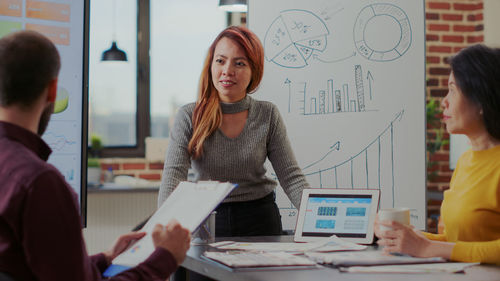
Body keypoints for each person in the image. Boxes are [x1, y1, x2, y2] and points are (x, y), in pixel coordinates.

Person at [0, 30, 191, 280]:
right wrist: (165, 257)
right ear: (53, 90)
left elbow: (30, 267)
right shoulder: (39, 182)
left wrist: (105, 259)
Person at [158, 26, 310, 237]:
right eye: (220, 61)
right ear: (211, 65)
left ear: (253, 70)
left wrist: (321, 220)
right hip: (205, 220)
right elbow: (173, 179)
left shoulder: (268, 114)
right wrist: (163, 231)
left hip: (260, 221)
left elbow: (292, 178)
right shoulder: (189, 115)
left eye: (239, 63)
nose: (227, 71)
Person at [375, 44, 500, 265]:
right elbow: (456, 242)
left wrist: (428, 246)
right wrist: (408, 238)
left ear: (481, 99)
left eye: (453, 89)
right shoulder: (465, 162)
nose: (444, 101)